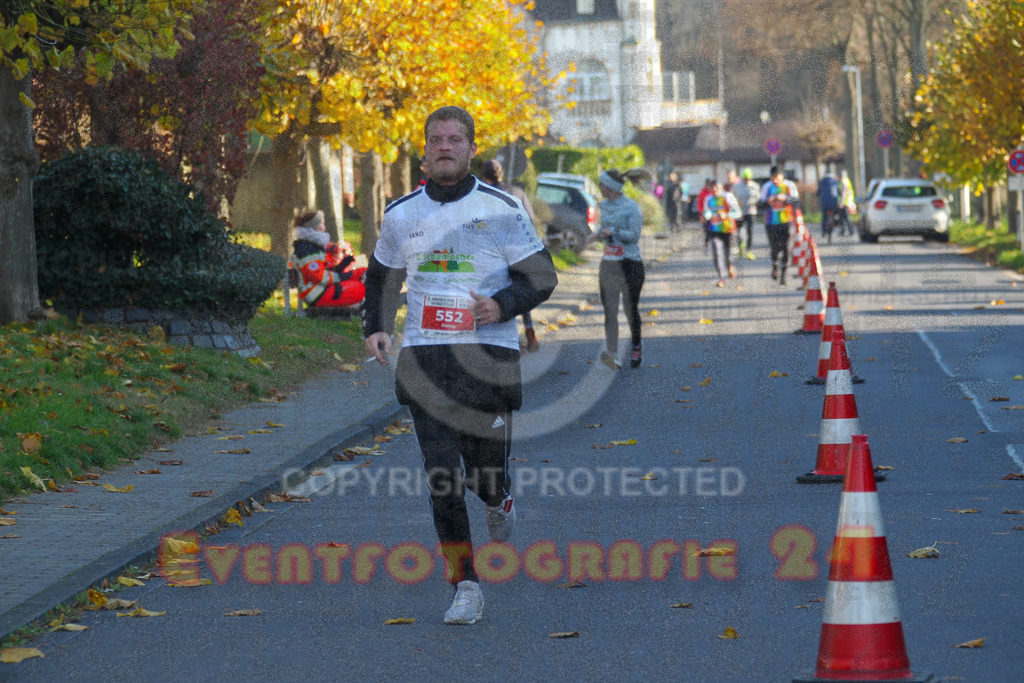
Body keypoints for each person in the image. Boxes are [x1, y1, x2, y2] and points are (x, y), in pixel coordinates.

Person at [363, 106, 558, 625]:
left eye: (454, 139)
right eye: (436, 139)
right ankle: (464, 585)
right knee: (443, 478)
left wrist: (501, 305)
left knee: (484, 475)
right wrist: (377, 326)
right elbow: (382, 277)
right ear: (425, 150)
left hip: (488, 359)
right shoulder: (400, 214)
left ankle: (499, 498)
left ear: (471, 148)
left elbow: (542, 277)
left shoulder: (501, 208)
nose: (445, 147)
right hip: (425, 358)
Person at [585, 169, 645, 369]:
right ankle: (613, 353)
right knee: (610, 309)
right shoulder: (602, 206)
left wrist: (614, 231)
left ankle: (636, 345)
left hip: (630, 263)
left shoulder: (632, 207)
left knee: (630, 309)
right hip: (609, 263)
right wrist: (595, 235)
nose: (599, 187)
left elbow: (634, 235)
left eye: (601, 184)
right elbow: (600, 228)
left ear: (610, 187)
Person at [480, 159, 541, 352]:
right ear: (502, 174)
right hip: (517, 251)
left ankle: (500, 338)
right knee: (519, 289)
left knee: (495, 291)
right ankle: (529, 330)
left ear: (484, 177)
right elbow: (530, 221)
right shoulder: (517, 192)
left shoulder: (483, 195)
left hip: (493, 253)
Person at [290, 210, 366, 310]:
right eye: (322, 224)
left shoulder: (312, 246)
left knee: (363, 272)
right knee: (360, 288)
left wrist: (342, 266)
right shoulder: (306, 250)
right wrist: (342, 276)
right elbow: (319, 277)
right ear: (316, 227)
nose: (324, 227)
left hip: (322, 289)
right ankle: (363, 306)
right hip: (317, 294)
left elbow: (323, 270)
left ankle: (366, 305)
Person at [759, 166, 800, 286]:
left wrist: (786, 199)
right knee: (774, 248)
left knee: (786, 248)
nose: (775, 180)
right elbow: (760, 204)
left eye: (778, 177)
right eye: (773, 178)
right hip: (771, 222)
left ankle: (783, 275)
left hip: (786, 221)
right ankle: (775, 266)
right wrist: (768, 201)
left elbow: (796, 202)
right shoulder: (767, 187)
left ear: (782, 177)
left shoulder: (789, 185)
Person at [702, 181, 742, 287]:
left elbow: (738, 213)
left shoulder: (728, 197)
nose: (715, 191)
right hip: (714, 230)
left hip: (728, 229)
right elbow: (707, 211)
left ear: (721, 188)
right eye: (713, 189)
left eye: (717, 188)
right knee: (716, 253)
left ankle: (729, 266)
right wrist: (707, 216)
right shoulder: (708, 199)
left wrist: (726, 215)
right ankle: (721, 277)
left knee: (727, 255)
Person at [730, 168, 760, 260]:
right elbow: (731, 197)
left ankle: (749, 250)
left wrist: (754, 202)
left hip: (751, 211)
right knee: (739, 231)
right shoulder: (736, 186)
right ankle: (740, 246)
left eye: (748, 179)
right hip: (740, 212)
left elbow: (758, 197)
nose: (746, 180)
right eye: (745, 179)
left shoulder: (755, 186)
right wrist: (736, 204)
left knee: (750, 231)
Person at [816, 171, 840, 243]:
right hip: (833, 203)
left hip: (824, 204)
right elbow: (838, 192)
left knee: (824, 217)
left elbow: (818, 192)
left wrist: (817, 195)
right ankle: (835, 224)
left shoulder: (821, 182)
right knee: (835, 215)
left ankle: (823, 231)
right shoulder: (835, 182)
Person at [838, 170, 857, 236]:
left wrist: (841, 202)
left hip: (845, 203)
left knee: (844, 218)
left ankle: (847, 231)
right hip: (848, 202)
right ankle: (848, 231)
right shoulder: (847, 181)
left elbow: (844, 193)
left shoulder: (844, 182)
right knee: (845, 218)